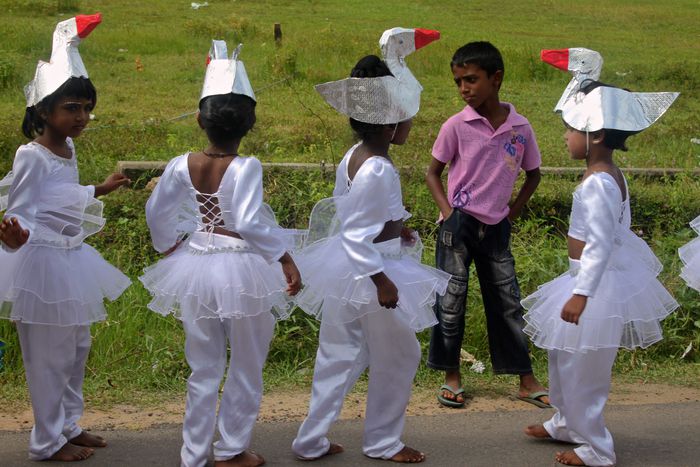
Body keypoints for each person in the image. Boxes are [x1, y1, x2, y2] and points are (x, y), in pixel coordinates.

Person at [139, 40, 302, 467]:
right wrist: (283, 257)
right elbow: (248, 222)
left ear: (199, 119)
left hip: (195, 265)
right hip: (242, 268)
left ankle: (193, 455)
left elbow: (157, 212)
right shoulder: (247, 167)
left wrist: (168, 245)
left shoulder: (180, 164)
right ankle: (231, 449)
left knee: (203, 366)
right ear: (250, 123)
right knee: (246, 364)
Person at [291, 28, 446, 463]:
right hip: (372, 272)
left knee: (338, 355)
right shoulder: (379, 167)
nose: (412, 125)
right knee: (400, 355)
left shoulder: (356, 154)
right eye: (409, 116)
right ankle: (382, 441)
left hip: (346, 269)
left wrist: (401, 229)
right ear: (392, 119)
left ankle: (311, 440)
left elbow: (359, 214)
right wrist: (382, 281)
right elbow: (361, 234)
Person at [523, 48, 679, 466]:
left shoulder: (598, 185)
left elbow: (602, 244)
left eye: (571, 130)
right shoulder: (604, 173)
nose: (565, 137)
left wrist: (583, 294)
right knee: (562, 355)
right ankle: (566, 422)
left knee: (585, 370)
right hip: (581, 280)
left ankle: (597, 448)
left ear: (594, 135)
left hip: (593, 285)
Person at [0, 14, 131, 462]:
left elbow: (60, 194)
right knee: (49, 358)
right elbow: (21, 208)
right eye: (71, 108)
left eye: (86, 107)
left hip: (72, 259)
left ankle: (68, 424)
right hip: (43, 265)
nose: (82, 117)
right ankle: (46, 441)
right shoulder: (31, 155)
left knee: (77, 348)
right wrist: (14, 237)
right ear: (42, 111)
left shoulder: (67, 148)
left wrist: (99, 189)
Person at [425, 41, 548, 409]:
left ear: (496, 79)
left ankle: (526, 380)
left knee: (508, 302)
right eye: (458, 81)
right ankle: (452, 376)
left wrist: (512, 212)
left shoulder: (520, 128)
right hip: (457, 227)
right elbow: (432, 173)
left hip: (496, 227)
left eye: (471, 80)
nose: (464, 88)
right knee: (450, 302)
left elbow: (534, 174)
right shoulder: (456, 125)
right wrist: (448, 212)